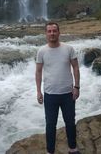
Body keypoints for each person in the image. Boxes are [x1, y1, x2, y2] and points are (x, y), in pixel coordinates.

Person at [35, 21, 80, 154]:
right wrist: (38, 91)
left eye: (54, 31)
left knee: (70, 122)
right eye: (49, 31)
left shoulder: (69, 49)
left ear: (59, 32)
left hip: (68, 93)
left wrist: (77, 87)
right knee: (50, 125)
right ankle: (50, 151)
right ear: (46, 34)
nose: (52, 33)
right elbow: (38, 71)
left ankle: (72, 148)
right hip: (50, 94)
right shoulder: (41, 51)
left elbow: (76, 67)